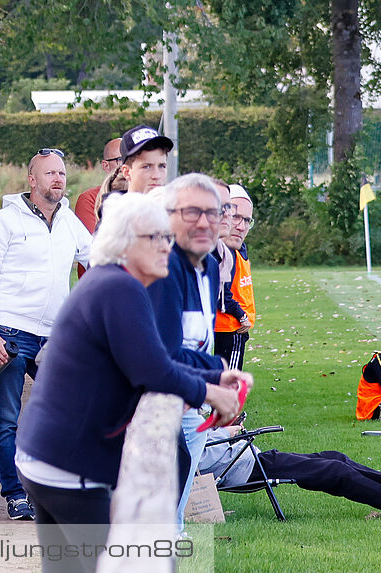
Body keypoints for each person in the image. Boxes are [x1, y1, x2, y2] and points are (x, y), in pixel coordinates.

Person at [14, 192, 250, 573]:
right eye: (153, 238)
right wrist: (210, 393)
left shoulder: (118, 286)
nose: (165, 246)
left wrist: (214, 373)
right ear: (121, 244)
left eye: (167, 237)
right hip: (69, 464)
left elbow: (156, 356)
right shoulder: (118, 289)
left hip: (47, 455)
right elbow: (151, 371)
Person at [0, 148, 94, 521]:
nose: (57, 179)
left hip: (54, 338)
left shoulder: (71, 223)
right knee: (7, 418)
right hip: (7, 333)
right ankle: (15, 495)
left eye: (61, 173)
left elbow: (101, 261)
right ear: (32, 179)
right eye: (49, 173)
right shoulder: (4, 222)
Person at [150, 173, 229, 523]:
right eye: (191, 212)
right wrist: (214, 380)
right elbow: (162, 350)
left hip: (184, 398)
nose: (204, 222)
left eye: (214, 213)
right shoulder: (163, 265)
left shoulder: (209, 265)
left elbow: (199, 336)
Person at [200, 428, 381, 516]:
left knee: (336, 458)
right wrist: (228, 433)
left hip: (250, 459)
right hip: (245, 470)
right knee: (337, 472)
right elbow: (199, 456)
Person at [95, 124, 174, 226]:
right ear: (126, 172)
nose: (156, 175)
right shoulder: (114, 221)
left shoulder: (174, 214)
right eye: (147, 167)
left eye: (162, 166)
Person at [214, 184, 256, 368]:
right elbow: (222, 295)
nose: (241, 226)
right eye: (236, 217)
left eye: (247, 220)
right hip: (231, 327)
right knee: (229, 379)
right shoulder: (223, 253)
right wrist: (241, 316)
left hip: (234, 327)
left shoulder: (237, 249)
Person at [73, 137, 124, 234]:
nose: (126, 165)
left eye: (130, 159)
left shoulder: (144, 196)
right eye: (120, 159)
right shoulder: (90, 199)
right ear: (105, 166)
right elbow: (94, 243)